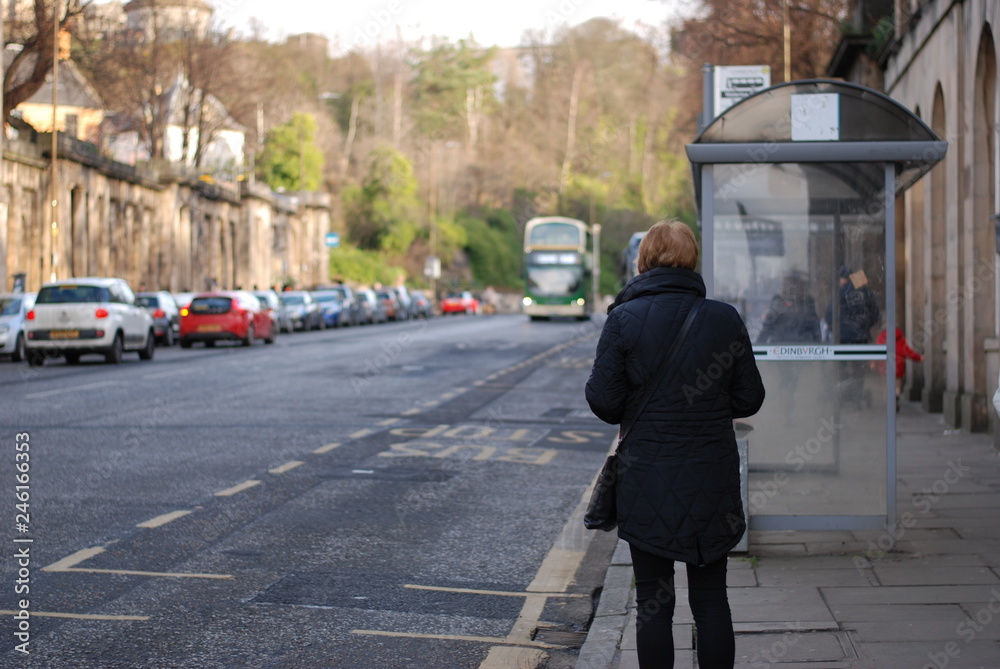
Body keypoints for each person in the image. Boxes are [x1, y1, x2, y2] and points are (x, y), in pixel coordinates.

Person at [586, 219, 765, 669]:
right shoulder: (723, 318)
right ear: (692, 261)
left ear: (643, 260)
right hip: (712, 481)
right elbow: (750, 398)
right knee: (711, 599)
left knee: (652, 603)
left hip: (646, 479)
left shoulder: (623, 319)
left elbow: (605, 403)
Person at [825, 266, 880, 344]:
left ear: (843, 279)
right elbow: (875, 313)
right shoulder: (865, 291)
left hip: (844, 336)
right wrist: (865, 326)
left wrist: (838, 328)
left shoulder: (839, 294)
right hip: (862, 336)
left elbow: (829, 315)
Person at [876, 327, 923, 411]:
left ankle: (889, 401)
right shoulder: (900, 338)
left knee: (886, 385)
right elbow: (907, 351)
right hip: (898, 368)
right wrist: (919, 358)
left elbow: (877, 351)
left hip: (885, 368)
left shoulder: (882, 337)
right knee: (897, 384)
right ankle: (896, 395)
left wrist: (872, 362)